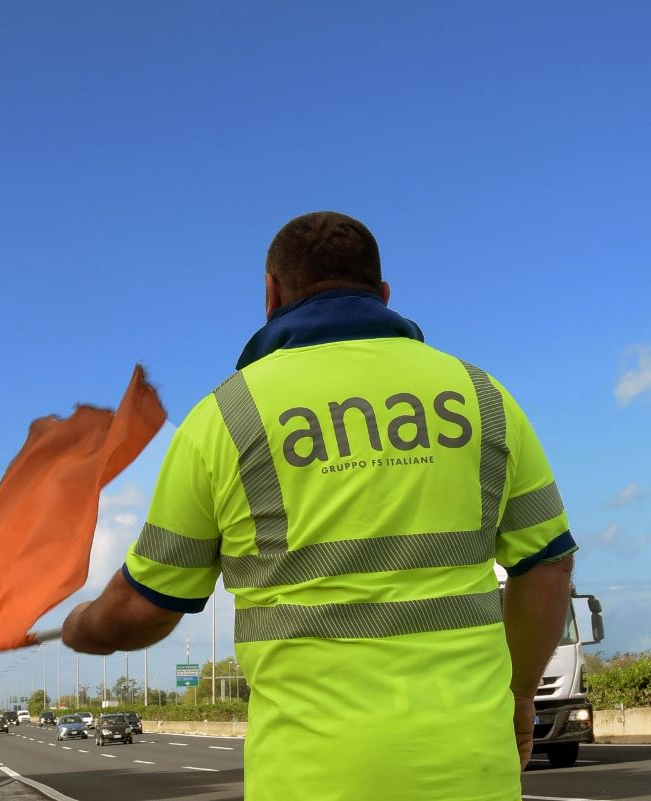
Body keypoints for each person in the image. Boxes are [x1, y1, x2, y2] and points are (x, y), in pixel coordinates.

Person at [62, 211, 577, 801]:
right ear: (383, 294)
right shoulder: (483, 397)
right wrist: (517, 696)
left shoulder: (224, 419)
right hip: (471, 770)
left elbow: (145, 609)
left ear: (271, 293)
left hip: (307, 779)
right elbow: (547, 566)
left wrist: (83, 630)